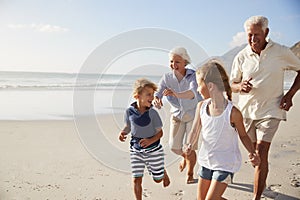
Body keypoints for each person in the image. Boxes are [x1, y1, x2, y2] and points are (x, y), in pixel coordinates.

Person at [230, 15, 300, 199]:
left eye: (257, 34)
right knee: (256, 158)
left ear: (266, 32)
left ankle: (256, 197)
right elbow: (231, 83)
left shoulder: (281, 52)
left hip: (271, 109)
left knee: (261, 153)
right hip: (246, 112)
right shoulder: (241, 56)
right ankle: (262, 178)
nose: (253, 39)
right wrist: (240, 87)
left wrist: (290, 95)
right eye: (250, 35)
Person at [184, 59, 261, 200]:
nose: (197, 89)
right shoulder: (201, 106)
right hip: (206, 161)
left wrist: (252, 152)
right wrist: (189, 144)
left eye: (199, 84)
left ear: (211, 86)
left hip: (226, 164)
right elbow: (195, 130)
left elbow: (243, 136)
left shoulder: (233, 113)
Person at [154, 47, 202, 184]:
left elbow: (193, 92)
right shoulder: (167, 78)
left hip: (193, 115)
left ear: (185, 62)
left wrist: (175, 94)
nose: (173, 65)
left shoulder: (193, 75)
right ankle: (185, 157)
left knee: (190, 147)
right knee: (174, 147)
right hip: (176, 115)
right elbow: (158, 92)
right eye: (171, 61)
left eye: (177, 62)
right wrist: (157, 100)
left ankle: (190, 173)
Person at [119, 78, 170, 200]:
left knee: (157, 180)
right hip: (136, 150)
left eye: (153, 94)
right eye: (149, 94)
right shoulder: (129, 112)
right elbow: (128, 126)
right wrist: (123, 132)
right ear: (137, 96)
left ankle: (162, 172)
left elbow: (160, 133)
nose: (152, 97)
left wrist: (150, 140)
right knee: (136, 178)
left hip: (154, 150)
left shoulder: (153, 113)